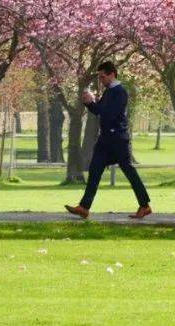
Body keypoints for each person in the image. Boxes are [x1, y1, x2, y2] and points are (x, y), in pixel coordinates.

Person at [65, 61, 152, 220]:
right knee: (95, 170)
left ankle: (145, 205)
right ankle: (84, 207)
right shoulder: (109, 92)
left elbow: (108, 113)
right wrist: (89, 104)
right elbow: (100, 111)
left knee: (129, 171)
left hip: (118, 138)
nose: (101, 80)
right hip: (105, 139)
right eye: (99, 77)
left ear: (112, 74)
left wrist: (92, 103)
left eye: (103, 76)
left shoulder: (120, 92)